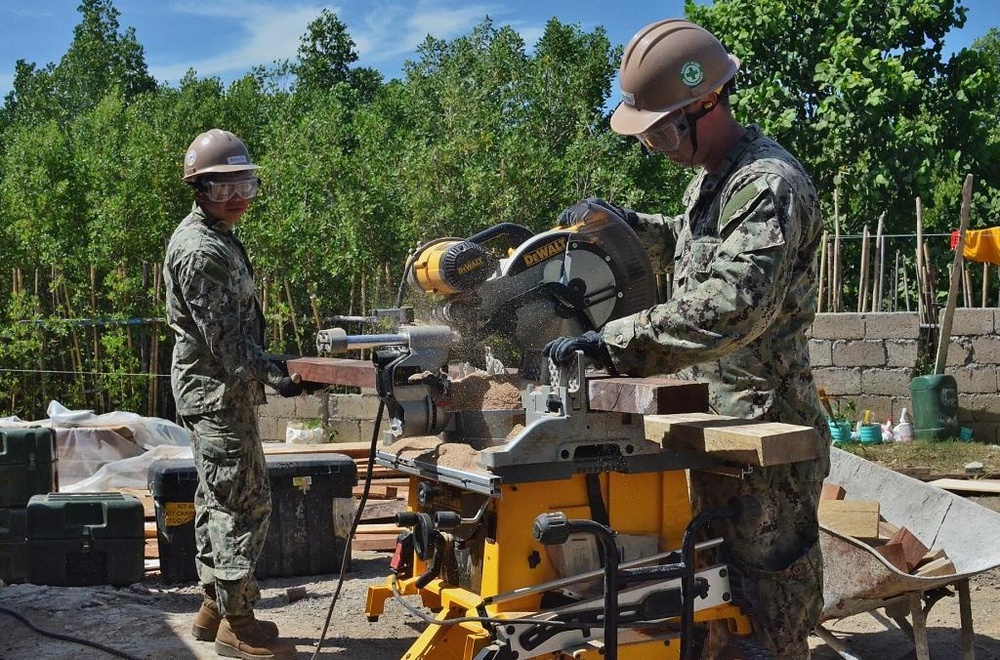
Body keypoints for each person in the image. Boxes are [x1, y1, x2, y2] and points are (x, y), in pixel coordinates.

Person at [544, 18, 830, 659]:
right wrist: (618, 228)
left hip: (767, 437)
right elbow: (688, 240)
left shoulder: (769, 186)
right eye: (646, 138)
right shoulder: (714, 176)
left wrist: (618, 338)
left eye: (661, 132)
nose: (657, 147)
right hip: (718, 423)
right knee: (716, 613)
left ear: (706, 104)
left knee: (768, 622)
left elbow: (731, 306)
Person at [164, 128, 302, 659]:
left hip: (217, 391)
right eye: (223, 189)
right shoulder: (202, 251)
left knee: (215, 496)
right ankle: (237, 624)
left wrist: (273, 368)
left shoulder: (217, 233)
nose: (238, 197)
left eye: (245, 184)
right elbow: (230, 347)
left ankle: (212, 608)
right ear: (198, 190)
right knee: (242, 503)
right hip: (218, 391)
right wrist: (284, 372)